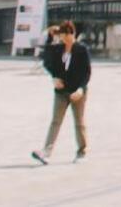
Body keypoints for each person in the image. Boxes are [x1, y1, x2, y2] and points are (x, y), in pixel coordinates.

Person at [32, 21, 91, 165]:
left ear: (72, 34)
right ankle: (46, 151)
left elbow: (87, 72)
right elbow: (47, 62)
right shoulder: (58, 49)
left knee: (79, 122)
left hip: (77, 91)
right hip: (61, 91)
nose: (63, 39)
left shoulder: (81, 50)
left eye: (65, 36)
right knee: (55, 121)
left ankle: (82, 151)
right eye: (61, 36)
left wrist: (81, 89)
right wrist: (54, 77)